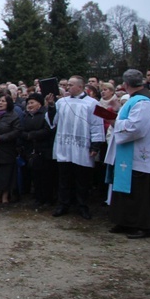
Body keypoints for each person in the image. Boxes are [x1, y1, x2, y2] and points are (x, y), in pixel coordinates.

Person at [104, 69, 150, 239]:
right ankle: (125, 221)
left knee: (140, 191)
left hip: (140, 153)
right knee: (125, 187)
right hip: (128, 153)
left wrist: (115, 122)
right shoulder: (133, 100)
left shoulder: (143, 102)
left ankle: (143, 225)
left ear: (125, 85)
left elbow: (137, 128)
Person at [51, 76, 106, 220]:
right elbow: (52, 121)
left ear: (80, 87)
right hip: (65, 145)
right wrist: (51, 106)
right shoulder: (61, 102)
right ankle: (63, 204)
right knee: (64, 178)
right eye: (67, 84)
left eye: (70, 85)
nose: (67, 87)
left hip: (82, 146)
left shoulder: (93, 103)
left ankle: (82, 205)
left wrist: (95, 145)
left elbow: (97, 124)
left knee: (82, 179)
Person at [20, 93, 57, 208]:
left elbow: (48, 130)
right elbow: (21, 130)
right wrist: (26, 136)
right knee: (35, 177)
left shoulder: (45, 114)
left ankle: (48, 199)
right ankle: (38, 198)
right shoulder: (25, 116)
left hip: (45, 150)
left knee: (46, 177)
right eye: (28, 103)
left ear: (39, 104)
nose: (29, 105)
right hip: (32, 151)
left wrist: (32, 135)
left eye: (32, 103)